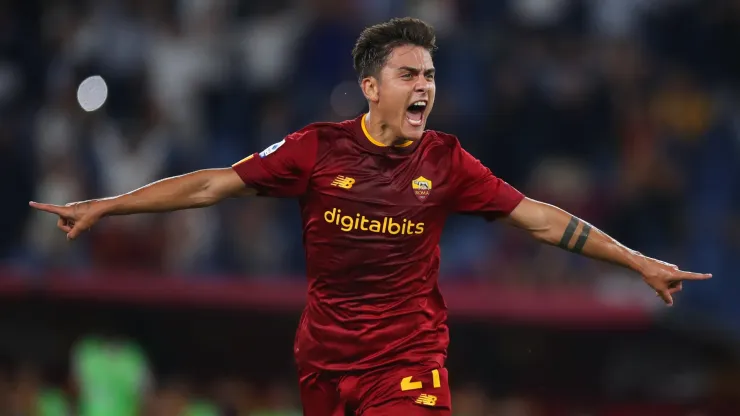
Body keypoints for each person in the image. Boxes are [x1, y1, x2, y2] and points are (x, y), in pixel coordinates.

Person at [30, 17, 711, 416]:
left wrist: (634, 259)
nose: (425, 88)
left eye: (430, 77)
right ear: (371, 87)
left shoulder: (447, 161)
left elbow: (536, 219)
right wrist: (108, 205)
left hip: (408, 362)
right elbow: (214, 184)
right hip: (324, 363)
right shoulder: (316, 150)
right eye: (410, 75)